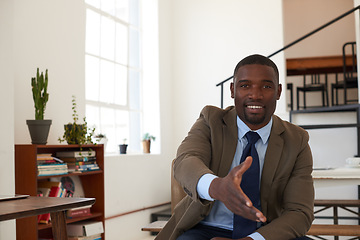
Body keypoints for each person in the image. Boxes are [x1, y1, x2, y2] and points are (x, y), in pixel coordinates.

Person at [155, 54, 314, 240]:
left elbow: (300, 212)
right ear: (232, 89)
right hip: (206, 230)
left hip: (266, 234)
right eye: (245, 85)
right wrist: (218, 187)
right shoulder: (210, 120)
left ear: (278, 91)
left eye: (266, 86)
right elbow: (186, 160)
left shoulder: (296, 140)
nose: (255, 95)